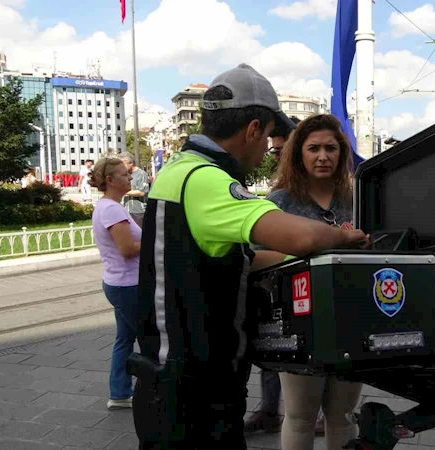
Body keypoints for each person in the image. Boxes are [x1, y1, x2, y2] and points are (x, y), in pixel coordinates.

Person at [131, 63, 369, 449]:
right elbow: (301, 236)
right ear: (254, 129)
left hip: (174, 375)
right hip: (194, 385)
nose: (267, 150)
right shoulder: (205, 179)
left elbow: (235, 260)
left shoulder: (178, 169)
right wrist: (352, 240)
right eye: (269, 137)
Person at [263, 114, 362, 450]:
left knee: (344, 415)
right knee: (301, 416)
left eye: (331, 148)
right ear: (298, 154)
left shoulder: (358, 202)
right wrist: (306, 259)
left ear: (342, 153)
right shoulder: (279, 204)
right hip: (300, 322)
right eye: (314, 148)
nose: (323, 156)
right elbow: (253, 258)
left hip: (353, 319)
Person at [244, 114, 326, 437]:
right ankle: (269, 409)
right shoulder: (278, 199)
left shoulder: (350, 196)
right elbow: (252, 255)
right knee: (295, 408)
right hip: (289, 308)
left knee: (338, 412)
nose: (276, 158)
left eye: (281, 151)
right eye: (273, 152)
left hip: (334, 313)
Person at [90, 157, 142, 410]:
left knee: (125, 339)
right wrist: (158, 240)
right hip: (128, 285)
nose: (129, 177)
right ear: (110, 180)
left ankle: (119, 393)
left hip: (120, 283)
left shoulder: (109, 206)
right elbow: (128, 250)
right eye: (124, 174)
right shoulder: (111, 209)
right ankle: (155, 391)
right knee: (149, 337)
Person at [118, 153, 149, 228]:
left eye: (123, 164)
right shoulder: (125, 174)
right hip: (126, 209)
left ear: (131, 163)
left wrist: (123, 192)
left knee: (138, 236)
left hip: (138, 211)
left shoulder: (141, 174)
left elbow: (142, 192)